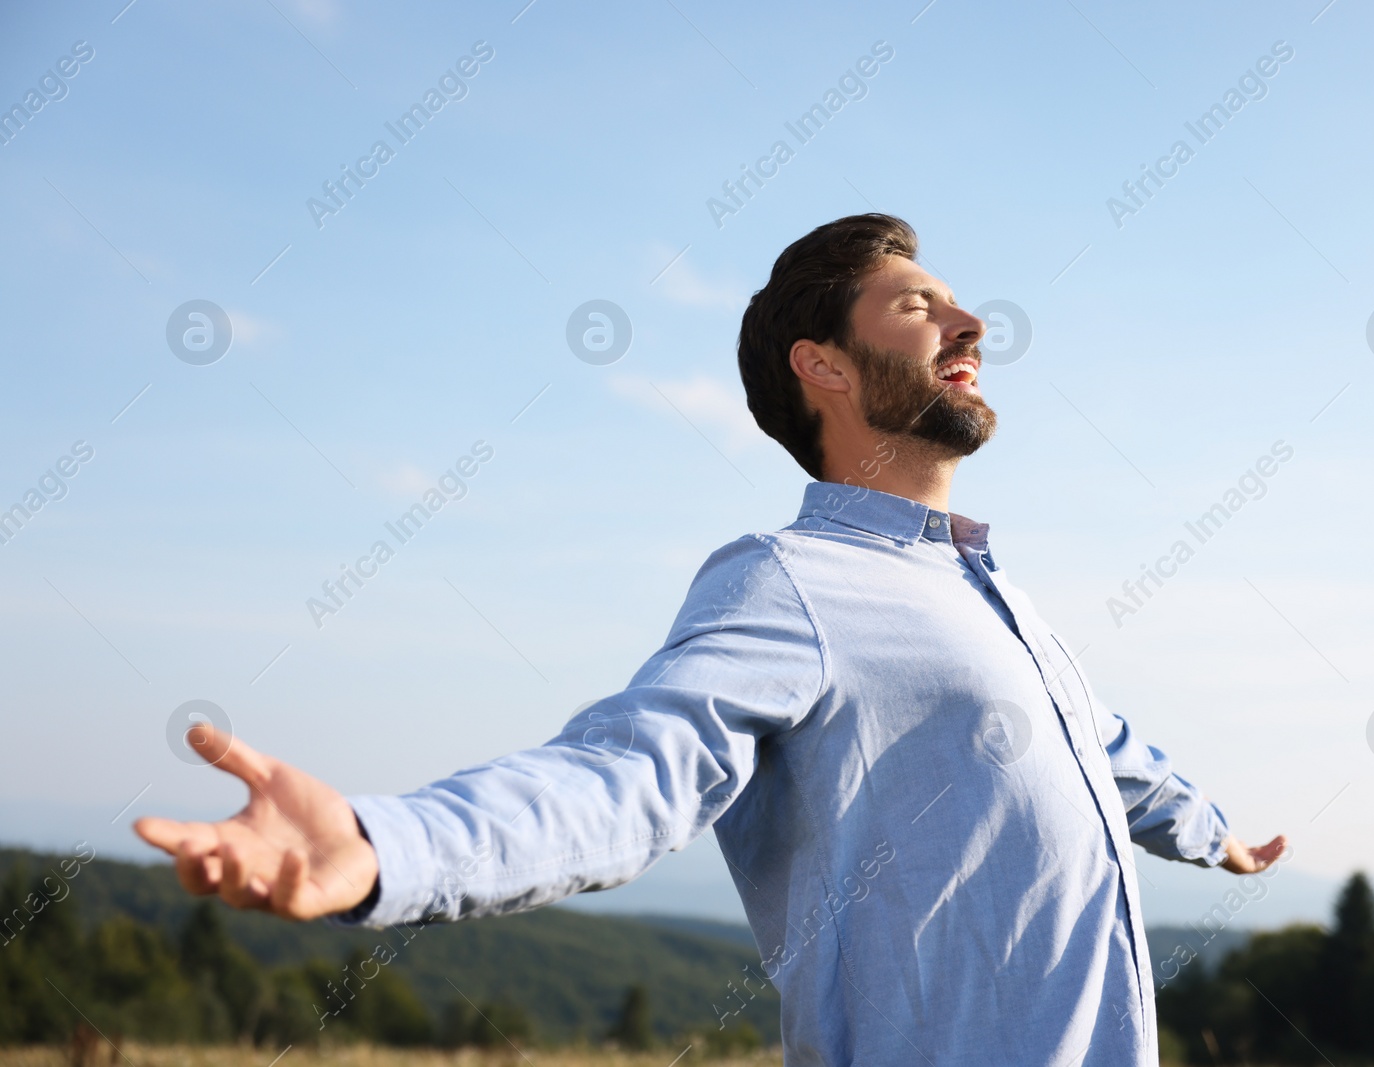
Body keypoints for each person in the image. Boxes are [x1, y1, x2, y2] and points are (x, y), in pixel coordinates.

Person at [137, 214, 1285, 1065]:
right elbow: (631, 771)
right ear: (823, 366)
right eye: (916, 303)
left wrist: (1215, 834)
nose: (969, 319)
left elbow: (1108, 748)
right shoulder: (791, 582)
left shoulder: (1007, 606)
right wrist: (387, 844)